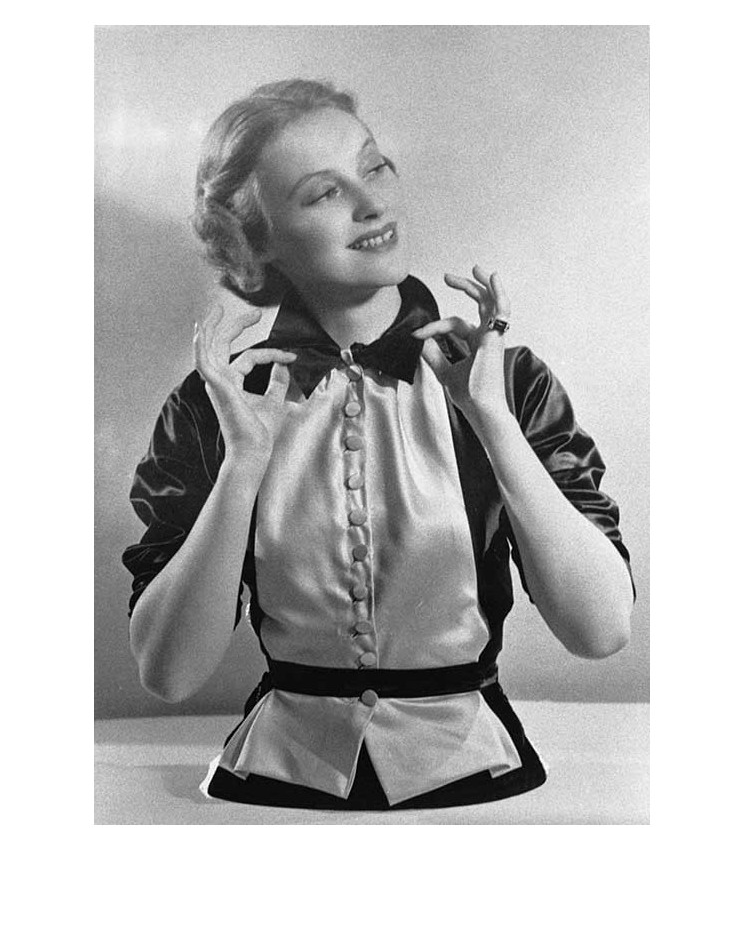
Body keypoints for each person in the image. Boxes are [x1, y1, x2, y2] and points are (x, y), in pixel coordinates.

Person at [122, 78, 634, 810]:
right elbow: (169, 674)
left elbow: (602, 630)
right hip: (276, 782)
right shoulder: (219, 403)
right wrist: (243, 466)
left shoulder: (506, 381)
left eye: (375, 166)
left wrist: (492, 421)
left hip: (480, 779)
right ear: (257, 241)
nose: (371, 204)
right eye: (324, 193)